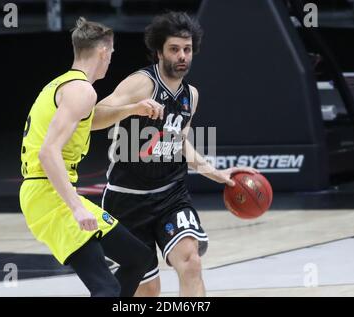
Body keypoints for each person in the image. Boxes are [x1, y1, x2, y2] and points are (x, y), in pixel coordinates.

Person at [92, 12, 258, 297]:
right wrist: (131, 109)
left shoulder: (190, 95)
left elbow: (180, 141)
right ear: (159, 52)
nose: (182, 55)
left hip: (170, 195)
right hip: (127, 198)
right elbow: (94, 117)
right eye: (174, 49)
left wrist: (215, 172)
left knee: (191, 262)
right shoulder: (142, 83)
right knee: (148, 290)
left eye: (187, 49)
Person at [19, 17, 152, 297]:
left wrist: (131, 109)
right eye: (112, 53)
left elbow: (89, 122)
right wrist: (76, 208)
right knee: (106, 289)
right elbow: (48, 152)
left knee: (138, 259)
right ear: (103, 51)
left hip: (50, 191)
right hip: (48, 195)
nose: (111, 59)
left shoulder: (64, 85)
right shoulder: (82, 91)